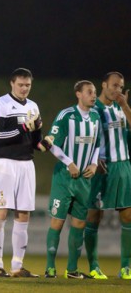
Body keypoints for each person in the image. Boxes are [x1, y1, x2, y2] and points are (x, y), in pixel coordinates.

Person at [42, 80, 100, 279]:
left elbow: (98, 144)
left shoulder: (96, 117)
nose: (94, 95)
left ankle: (72, 269)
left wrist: (93, 164)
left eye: (95, 92)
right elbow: (51, 143)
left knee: (79, 225)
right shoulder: (66, 115)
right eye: (90, 92)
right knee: (57, 223)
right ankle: (50, 267)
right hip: (64, 179)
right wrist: (68, 162)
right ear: (78, 94)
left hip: (84, 180)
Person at [0, 68, 42, 278]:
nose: (24, 89)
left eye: (27, 85)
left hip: (26, 164)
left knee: (23, 214)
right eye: (20, 84)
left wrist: (43, 142)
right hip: (5, 164)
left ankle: (17, 266)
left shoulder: (33, 106)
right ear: (12, 83)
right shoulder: (0, 104)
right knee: (1, 213)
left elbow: (36, 138)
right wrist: (24, 128)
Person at [85, 72, 131, 280]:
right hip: (101, 168)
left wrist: (125, 106)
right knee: (94, 216)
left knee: (128, 215)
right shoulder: (94, 109)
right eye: (114, 85)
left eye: (120, 87)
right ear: (103, 85)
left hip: (122, 166)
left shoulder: (122, 109)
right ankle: (94, 265)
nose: (117, 90)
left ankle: (126, 267)